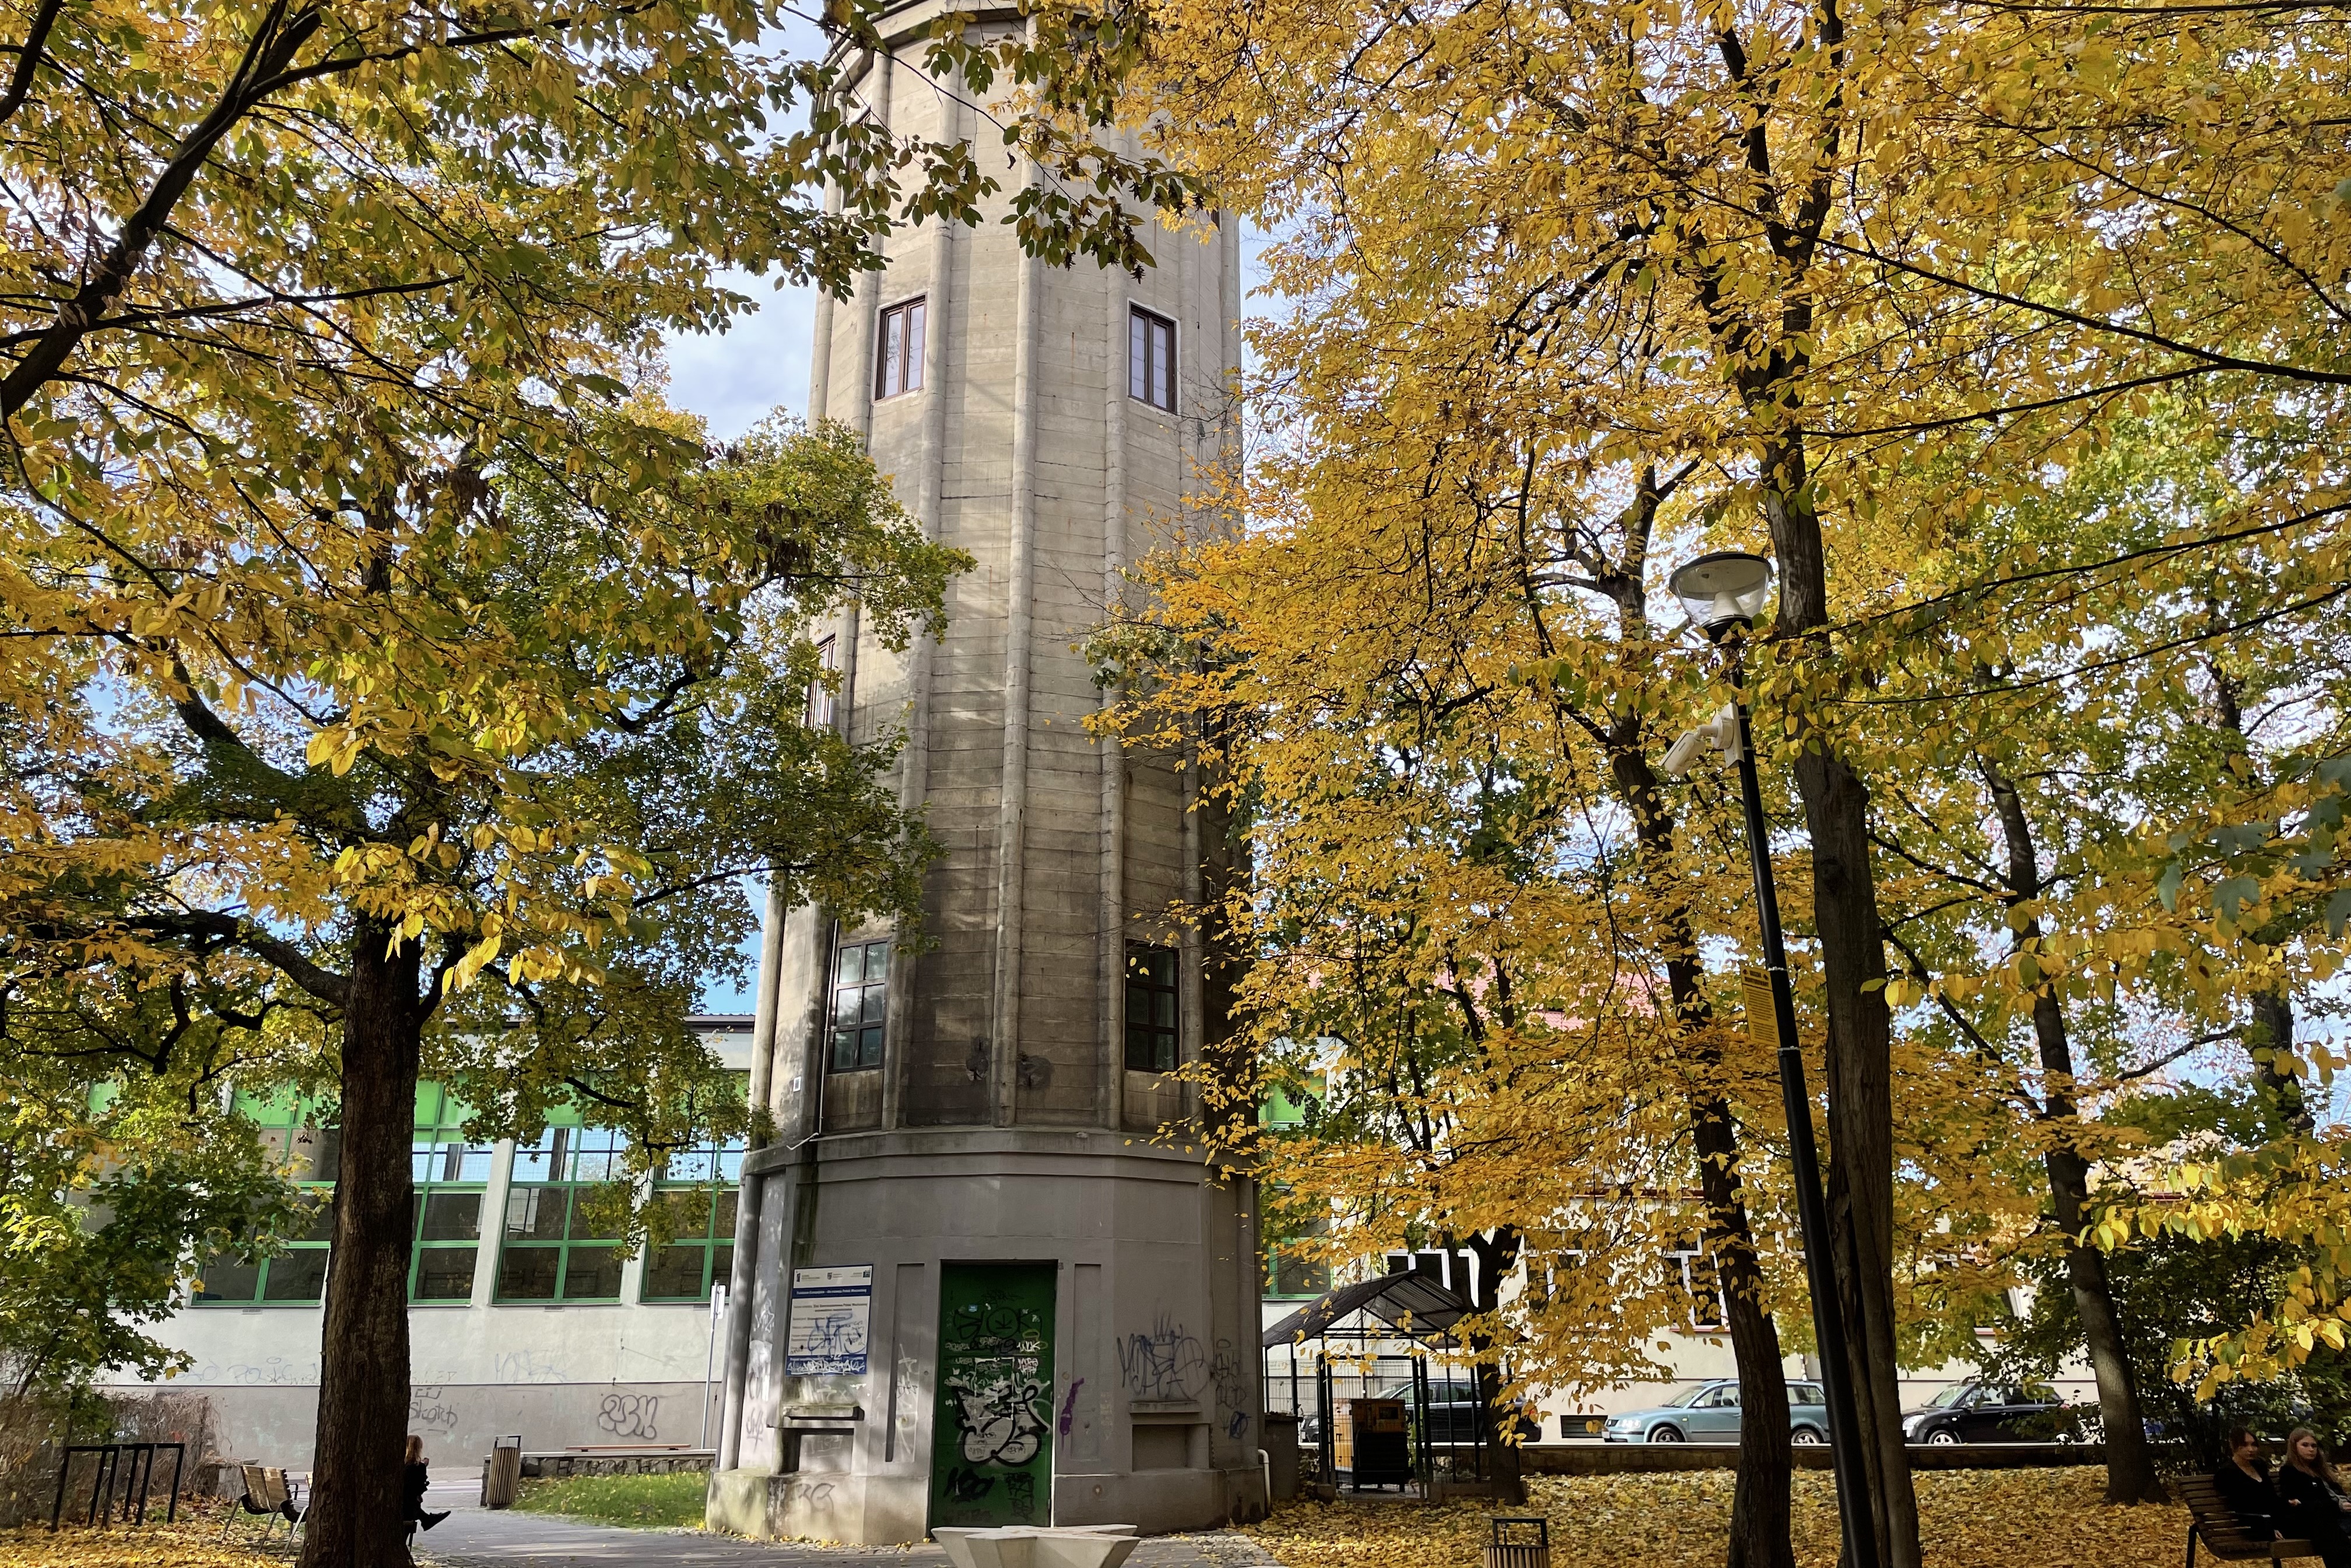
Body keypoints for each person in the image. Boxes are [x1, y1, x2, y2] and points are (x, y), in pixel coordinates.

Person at [2278, 1426, 2351, 1568]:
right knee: (2327, 1528)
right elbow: (2299, 1505)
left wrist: (2343, 1503)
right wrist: (2336, 1506)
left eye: (2314, 1446)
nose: (2311, 1449)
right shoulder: (2290, 1471)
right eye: (2305, 1445)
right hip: (2311, 1522)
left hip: (2337, 1518)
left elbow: (2338, 1495)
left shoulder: (2322, 1471)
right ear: (2294, 1447)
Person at [2214, 1427, 2279, 1539]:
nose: (2251, 1449)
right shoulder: (2227, 1473)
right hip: (2254, 1525)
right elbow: (2242, 1506)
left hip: (2276, 1519)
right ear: (2232, 1445)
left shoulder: (2260, 1465)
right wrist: (2269, 1527)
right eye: (2244, 1445)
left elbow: (2272, 1497)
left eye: (2253, 1444)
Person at [404, 1435, 451, 1532]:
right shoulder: (418, 1467)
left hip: (405, 1505)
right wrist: (423, 1466)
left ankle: (426, 1519)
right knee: (413, 1505)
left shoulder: (403, 1465)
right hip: (408, 1509)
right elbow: (418, 1487)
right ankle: (426, 1519)